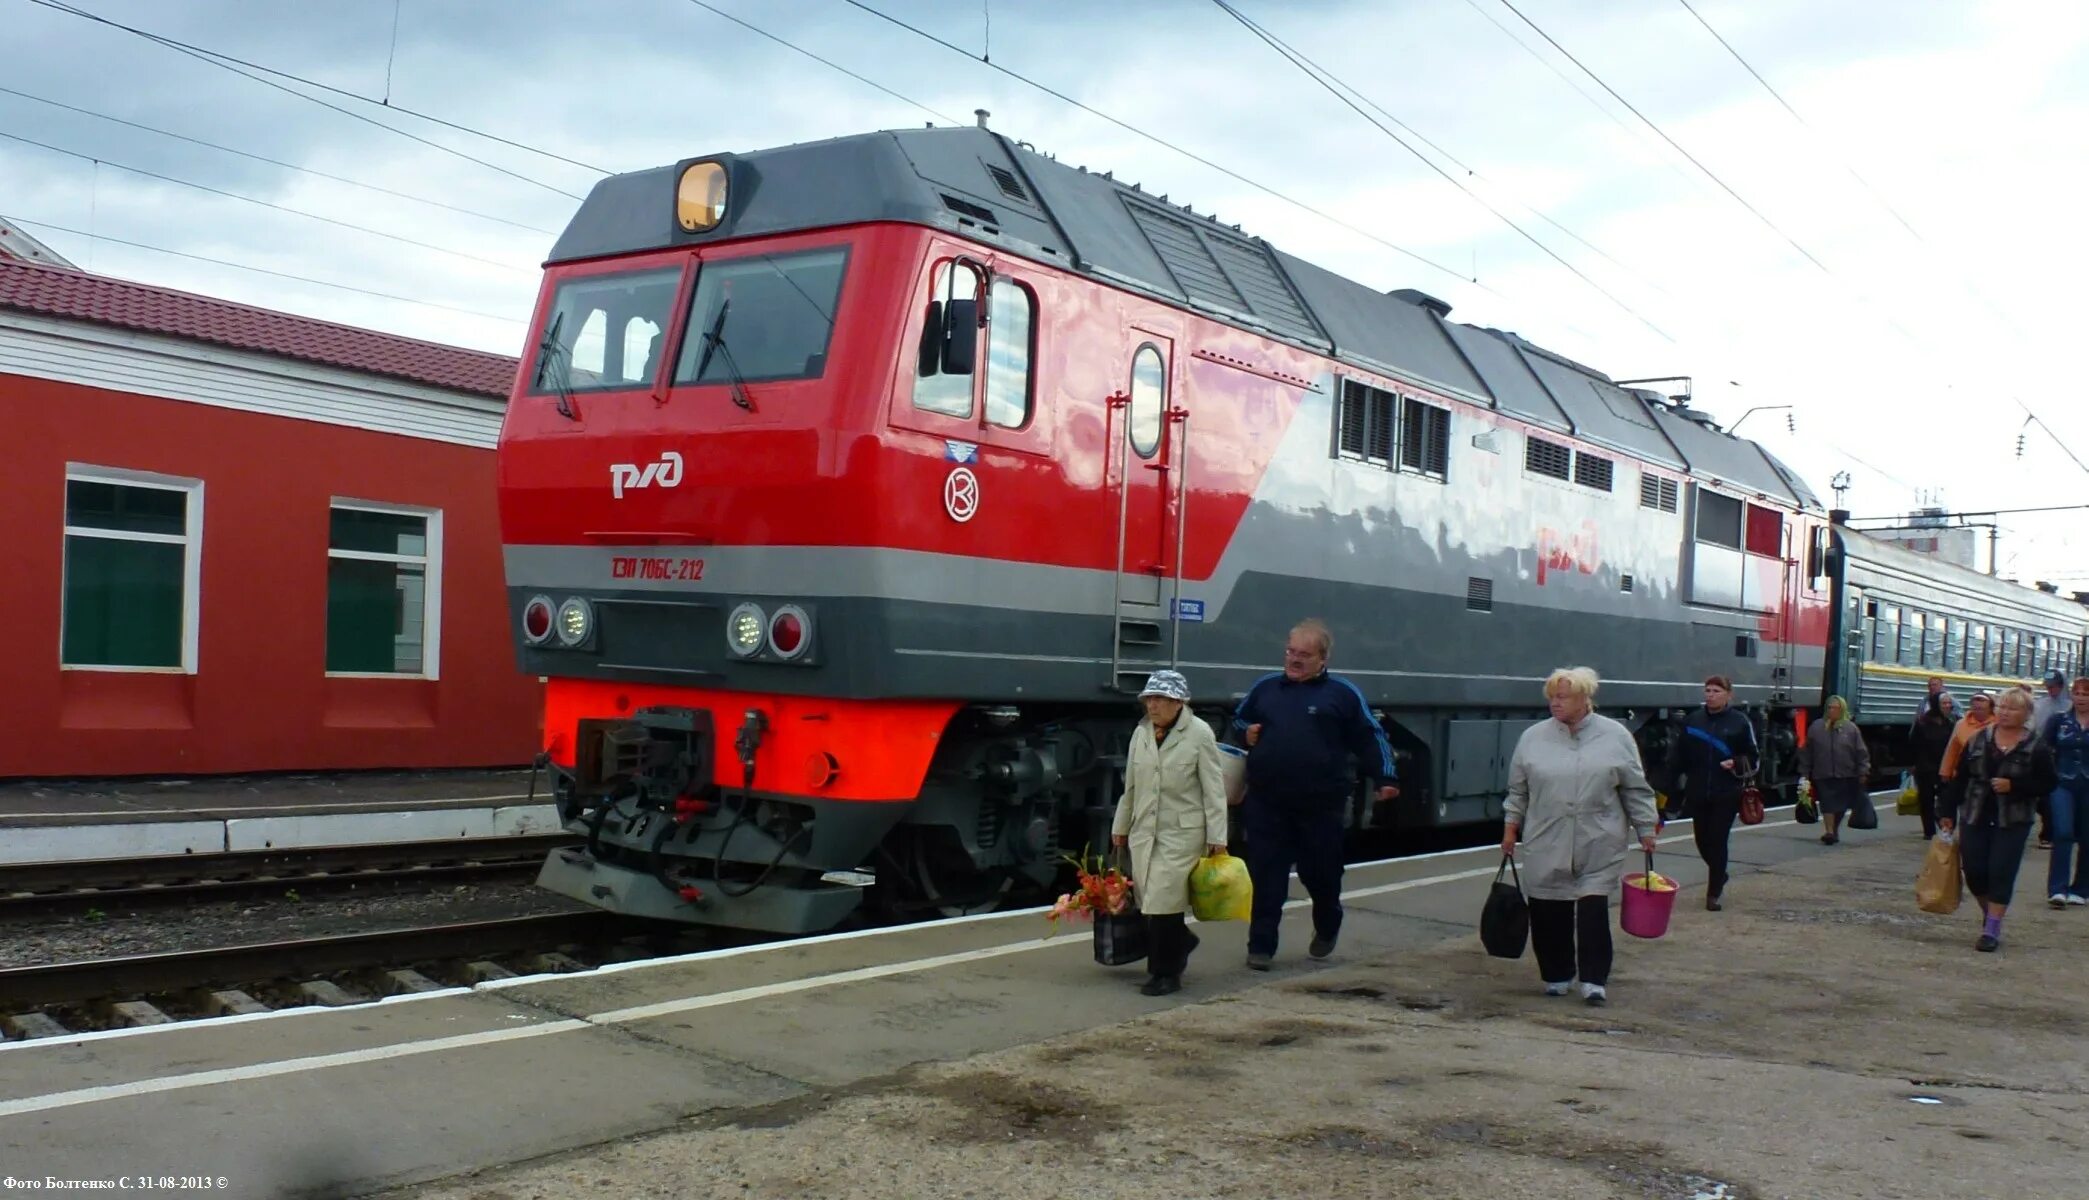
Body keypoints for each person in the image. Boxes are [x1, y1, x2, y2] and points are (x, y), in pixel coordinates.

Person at [1231, 618, 1398, 970]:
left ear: (1323, 659)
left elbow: (1370, 736)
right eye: (1290, 651)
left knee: (1320, 873)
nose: (1294, 659)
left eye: (1304, 654)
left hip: (1320, 805)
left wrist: (1386, 776)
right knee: (1267, 874)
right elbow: (1238, 721)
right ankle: (1260, 946)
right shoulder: (1266, 689)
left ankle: (1328, 921)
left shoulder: (1342, 694)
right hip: (1267, 800)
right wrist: (1246, 732)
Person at [1500, 667, 1660, 1008]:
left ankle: (1593, 979)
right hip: (1547, 835)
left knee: (1592, 909)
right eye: (1552, 698)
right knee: (1547, 908)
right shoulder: (1533, 737)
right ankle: (1557, 974)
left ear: (1585, 699)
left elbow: (1635, 788)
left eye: (1563, 697)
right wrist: (1510, 827)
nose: (1555, 704)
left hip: (1598, 837)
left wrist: (1646, 828)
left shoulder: (1616, 736)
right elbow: (1519, 790)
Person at [1111, 670, 1228, 996]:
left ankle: (1165, 974)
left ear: (1179, 702)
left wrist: (1218, 838)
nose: (1153, 705)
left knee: (1164, 901)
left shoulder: (1199, 734)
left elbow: (1213, 790)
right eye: (1149, 698)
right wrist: (1120, 827)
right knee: (1150, 902)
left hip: (1182, 833)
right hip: (1144, 831)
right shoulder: (1142, 734)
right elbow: (1130, 787)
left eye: (1160, 698)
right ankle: (1183, 942)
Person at [1941, 687, 2057, 951]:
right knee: (1975, 872)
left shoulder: (2036, 746)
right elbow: (1960, 780)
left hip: (2013, 820)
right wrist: (1946, 812)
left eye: (2012, 708)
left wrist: (2014, 786)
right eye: (2002, 706)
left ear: (2026, 714)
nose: (2005, 712)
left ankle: (1991, 928)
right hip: (1975, 814)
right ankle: (1989, 913)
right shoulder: (1978, 740)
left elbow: (2048, 783)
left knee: (2001, 872)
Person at [1665, 676, 1758, 911]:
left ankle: (1713, 893)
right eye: (1707, 690)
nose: (1710, 695)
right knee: (1701, 841)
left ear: (1728, 694)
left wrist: (1735, 763)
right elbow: (1679, 757)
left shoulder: (1740, 722)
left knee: (1717, 840)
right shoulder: (1693, 721)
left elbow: (1753, 756)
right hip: (1697, 790)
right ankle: (1720, 873)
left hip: (1726, 791)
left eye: (1716, 690)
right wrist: (1668, 786)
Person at [2040, 676, 2089, 908]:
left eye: (2086, 694)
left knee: (2087, 837)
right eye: (2077, 694)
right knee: (2063, 832)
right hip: (2062, 783)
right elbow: (2043, 749)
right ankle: (2057, 889)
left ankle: (2081, 888)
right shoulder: (2058, 721)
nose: (2080, 698)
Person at [1799, 696, 1871, 845]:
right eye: (1830, 707)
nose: (1832, 710)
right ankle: (1829, 831)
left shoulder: (1851, 729)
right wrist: (1805, 772)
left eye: (1835, 708)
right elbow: (1808, 751)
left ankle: (1834, 829)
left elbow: (1861, 752)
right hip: (1822, 773)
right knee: (1827, 803)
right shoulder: (1816, 727)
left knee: (1841, 806)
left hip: (1846, 773)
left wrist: (1863, 770)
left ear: (1842, 709)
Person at [1909, 691, 1959, 840]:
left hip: (1944, 767)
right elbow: (1913, 744)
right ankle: (1929, 831)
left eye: (1949, 703)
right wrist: (1913, 763)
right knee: (1926, 799)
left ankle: (1945, 827)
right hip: (1925, 767)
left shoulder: (1950, 722)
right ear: (1936, 705)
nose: (1947, 706)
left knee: (1946, 800)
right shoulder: (1923, 722)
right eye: (1944, 703)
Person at [1938, 692, 1997, 816]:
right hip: (1964, 774)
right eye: (1974, 708)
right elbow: (1952, 749)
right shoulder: (1961, 724)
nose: (1977, 711)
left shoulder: (1997, 724)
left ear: (1990, 708)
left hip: (1988, 775)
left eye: (1981, 709)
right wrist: (1945, 772)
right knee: (1965, 809)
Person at [2032, 672, 2069, 848]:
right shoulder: (2040, 705)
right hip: (2042, 755)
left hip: (2063, 759)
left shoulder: (2071, 706)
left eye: (2053, 686)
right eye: (2048, 686)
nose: (2050, 690)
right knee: (2043, 797)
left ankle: (2050, 832)